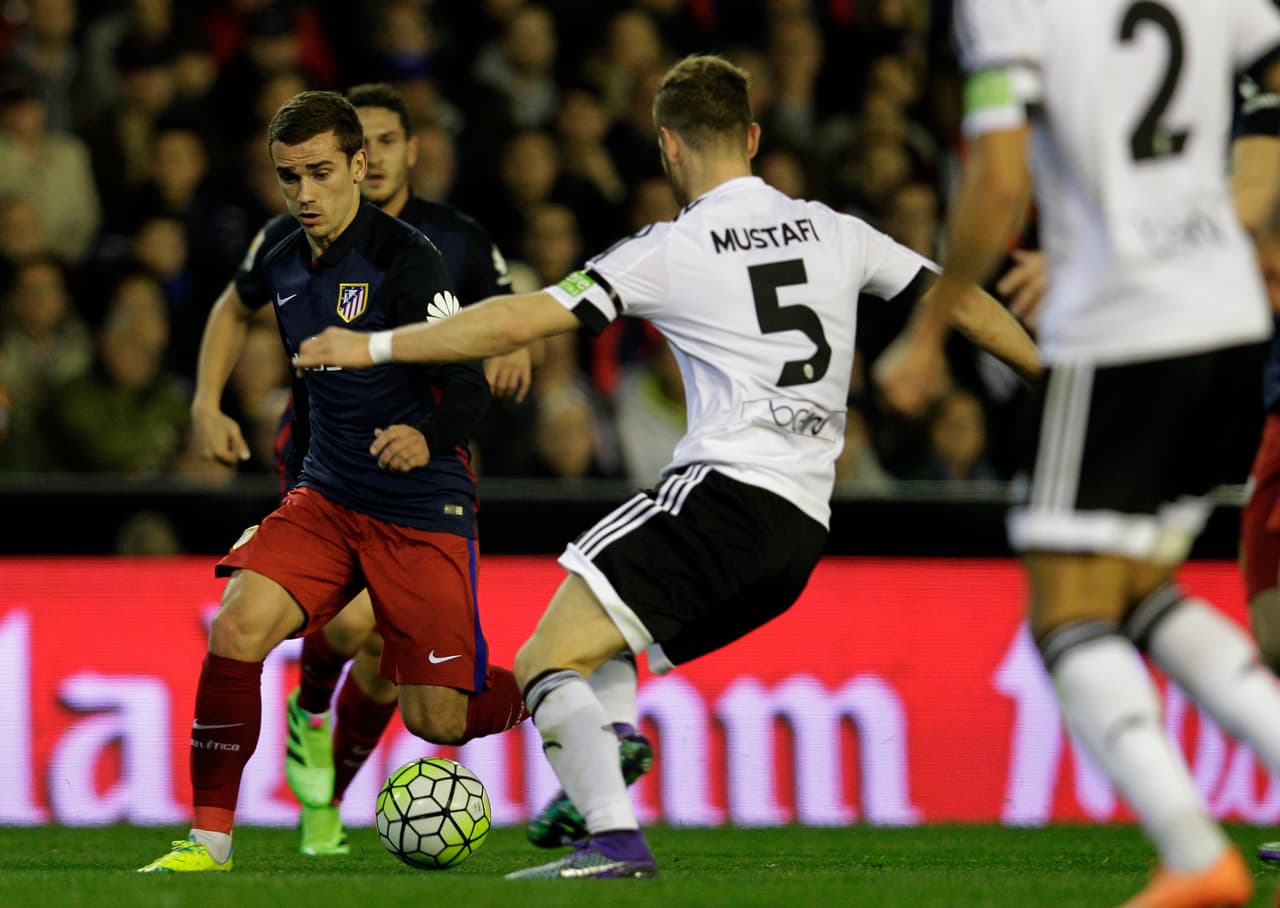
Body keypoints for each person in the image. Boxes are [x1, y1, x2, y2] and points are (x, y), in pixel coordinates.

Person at [293, 53, 1041, 879]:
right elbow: (964, 302)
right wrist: (1053, 375)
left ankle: (612, 837)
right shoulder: (842, 231)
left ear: (668, 149)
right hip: (803, 530)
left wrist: (376, 345)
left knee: (544, 659)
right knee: (606, 641)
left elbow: (519, 321)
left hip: (723, 493)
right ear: (751, 137)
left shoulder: (672, 247)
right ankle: (604, 758)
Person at [877, 3, 1280, 905]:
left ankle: (1191, 854)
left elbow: (997, 183)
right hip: (1228, 320)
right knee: (1138, 594)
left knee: (1064, 612)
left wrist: (932, 329)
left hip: (1122, 325)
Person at [138, 90, 529, 874]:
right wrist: (211, 409)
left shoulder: (410, 259)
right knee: (236, 626)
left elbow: (469, 389)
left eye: (320, 174)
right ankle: (209, 842)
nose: (305, 195)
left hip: (419, 504)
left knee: (438, 720)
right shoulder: (281, 252)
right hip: (327, 494)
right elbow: (262, 340)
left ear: (359, 166)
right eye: (290, 178)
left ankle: (553, 686)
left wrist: (424, 434)